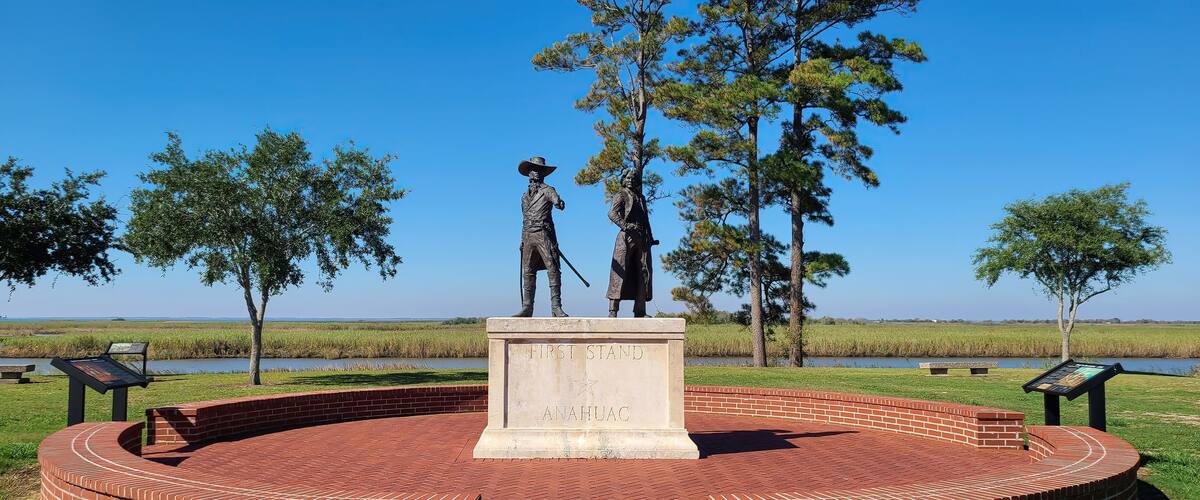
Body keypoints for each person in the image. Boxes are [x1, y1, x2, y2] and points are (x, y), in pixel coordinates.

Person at [513, 156, 568, 317]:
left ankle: (556, 307)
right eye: (533, 169)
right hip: (529, 235)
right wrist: (522, 240)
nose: (536, 173)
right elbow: (524, 219)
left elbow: (559, 203)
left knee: (553, 269)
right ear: (529, 173)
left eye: (539, 170)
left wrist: (558, 202)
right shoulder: (524, 196)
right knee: (528, 271)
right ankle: (527, 307)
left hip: (544, 235)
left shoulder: (548, 190)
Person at [607, 170, 657, 317]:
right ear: (624, 179)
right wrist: (625, 225)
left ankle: (640, 310)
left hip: (642, 238)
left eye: (633, 178)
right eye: (628, 177)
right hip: (626, 237)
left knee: (644, 272)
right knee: (619, 272)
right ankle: (613, 311)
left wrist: (651, 237)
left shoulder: (641, 197)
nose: (630, 180)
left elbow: (645, 219)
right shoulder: (621, 194)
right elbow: (612, 213)